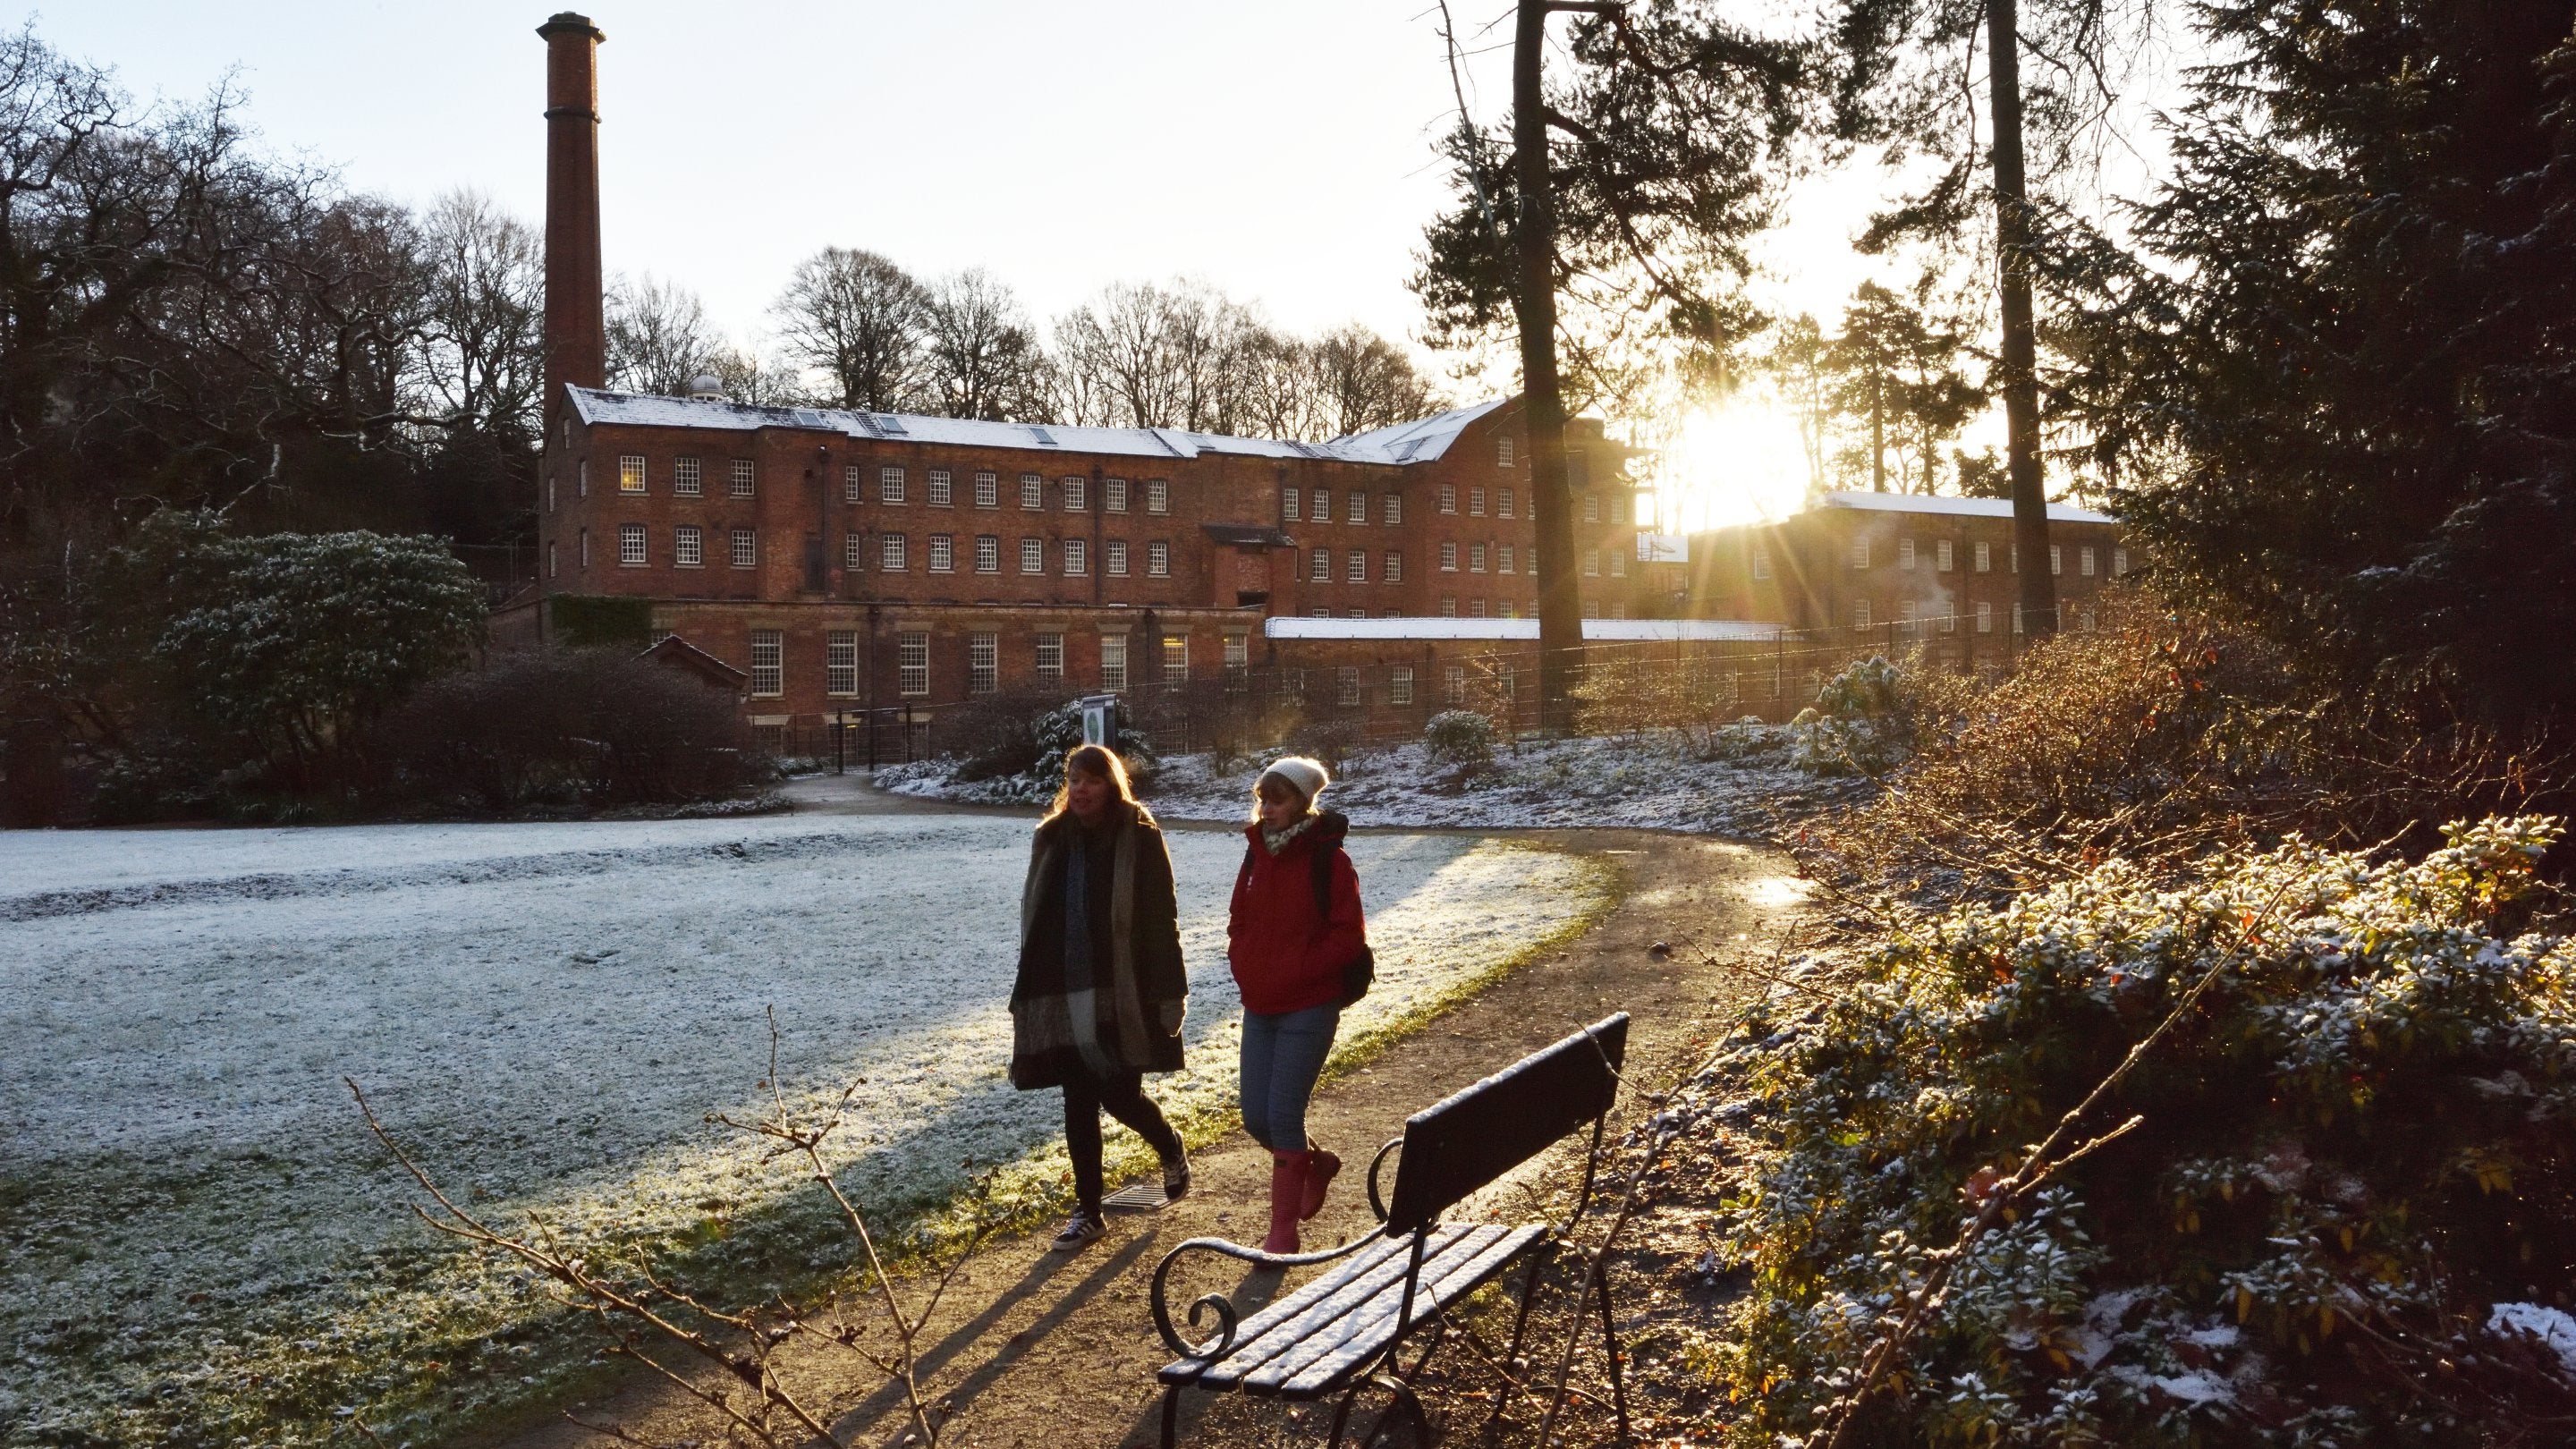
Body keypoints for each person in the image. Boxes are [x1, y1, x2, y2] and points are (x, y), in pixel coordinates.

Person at [1010, 744, 1191, 1250]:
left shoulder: (1138, 834)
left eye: (1092, 779)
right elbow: (1038, 919)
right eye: (1074, 778)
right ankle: (1089, 1210)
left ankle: (1168, 1145)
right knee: (1077, 1099)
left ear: (1112, 784)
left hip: (1122, 989)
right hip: (1063, 988)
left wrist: (1171, 991)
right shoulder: (1052, 838)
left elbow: (1161, 917)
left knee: (1119, 1095)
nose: (1081, 788)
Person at [1226, 755, 1368, 1254]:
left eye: (1277, 799)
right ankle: (1315, 1162)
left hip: (1309, 1005)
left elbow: (1347, 938)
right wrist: (1244, 963)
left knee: (1283, 1114)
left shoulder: (1329, 860)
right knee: (1254, 1118)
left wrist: (1297, 972)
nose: (1266, 809)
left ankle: (1282, 1232)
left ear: (1302, 804)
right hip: (1261, 1005)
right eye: (1262, 798)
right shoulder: (1255, 854)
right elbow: (1238, 921)